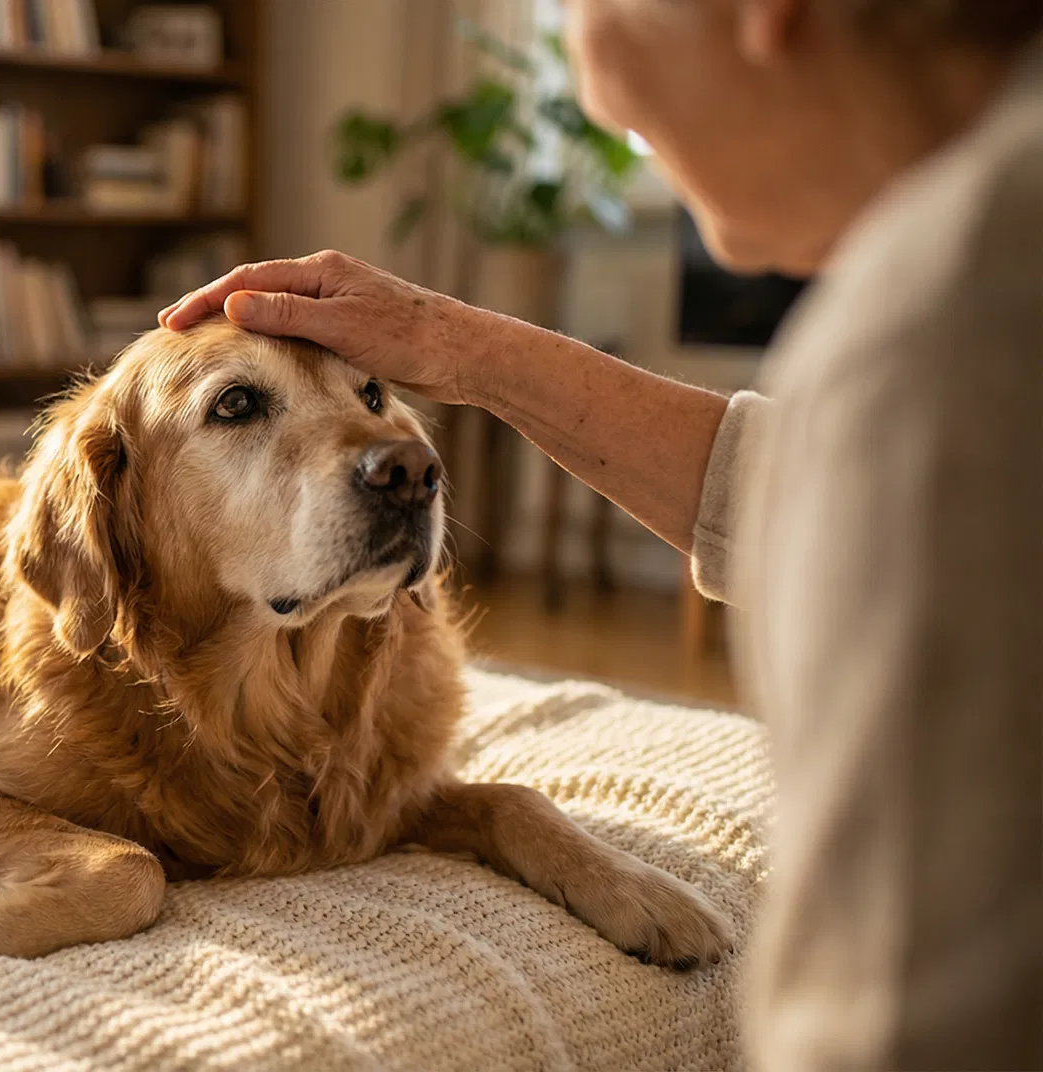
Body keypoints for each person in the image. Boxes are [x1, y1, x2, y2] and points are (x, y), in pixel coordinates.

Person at [160, 2, 1042, 1068]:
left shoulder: (954, 309)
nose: (582, 84)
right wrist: (456, 344)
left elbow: (912, 1023)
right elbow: (803, 489)